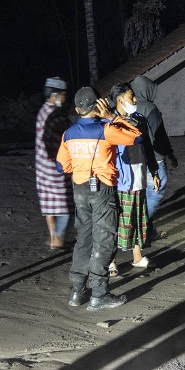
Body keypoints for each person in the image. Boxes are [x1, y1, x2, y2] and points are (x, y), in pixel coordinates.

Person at [56, 87, 142, 310]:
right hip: (102, 189)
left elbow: (61, 166)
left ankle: (76, 291)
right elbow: (137, 137)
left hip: (80, 189)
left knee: (83, 238)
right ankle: (99, 293)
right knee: (104, 239)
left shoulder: (69, 134)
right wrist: (111, 116)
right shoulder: (106, 129)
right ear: (98, 106)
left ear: (77, 109)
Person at [109, 82, 161, 271]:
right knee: (118, 222)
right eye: (131, 96)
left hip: (138, 177)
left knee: (138, 219)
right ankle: (111, 261)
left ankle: (137, 257)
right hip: (119, 181)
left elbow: (147, 148)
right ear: (120, 99)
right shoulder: (109, 122)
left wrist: (154, 172)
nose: (135, 99)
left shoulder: (139, 119)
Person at [129, 74, 179, 239]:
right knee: (157, 190)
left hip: (131, 158)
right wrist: (169, 154)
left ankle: (147, 230)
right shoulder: (149, 108)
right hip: (152, 157)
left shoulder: (125, 106)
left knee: (141, 193)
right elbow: (160, 135)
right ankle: (139, 226)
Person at [35, 77, 73, 249]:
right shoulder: (56, 116)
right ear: (56, 95)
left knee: (49, 204)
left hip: (42, 167)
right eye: (64, 95)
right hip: (55, 167)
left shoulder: (43, 110)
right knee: (64, 206)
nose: (65, 98)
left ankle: (53, 237)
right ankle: (57, 239)